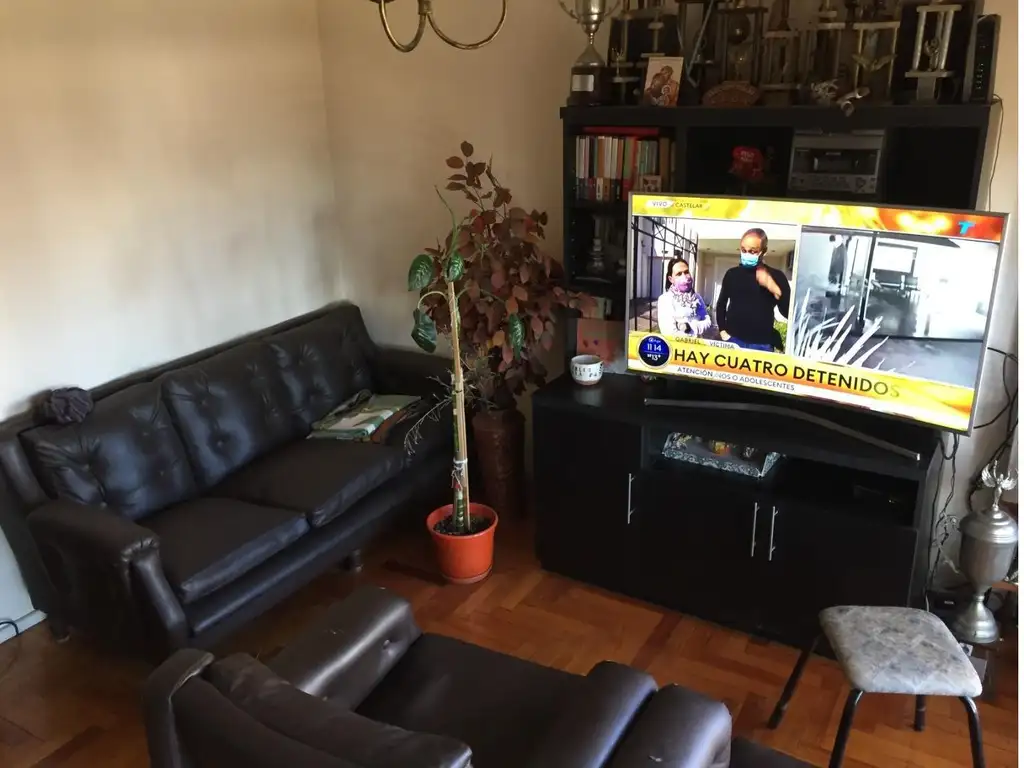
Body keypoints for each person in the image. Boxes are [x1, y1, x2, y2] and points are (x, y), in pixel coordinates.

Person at [715, 228, 791, 352]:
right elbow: (721, 304)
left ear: (763, 251)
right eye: (743, 250)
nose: (746, 254)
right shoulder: (732, 274)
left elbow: (788, 312)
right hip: (733, 341)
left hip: (762, 345)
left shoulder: (776, 276)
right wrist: (723, 331)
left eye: (752, 251)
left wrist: (773, 287)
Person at [657, 256, 712, 338]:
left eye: (686, 272)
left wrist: (690, 327)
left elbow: (708, 322)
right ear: (671, 279)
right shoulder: (665, 299)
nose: (684, 277)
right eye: (679, 274)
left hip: (698, 344)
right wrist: (694, 330)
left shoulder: (697, 297)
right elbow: (669, 332)